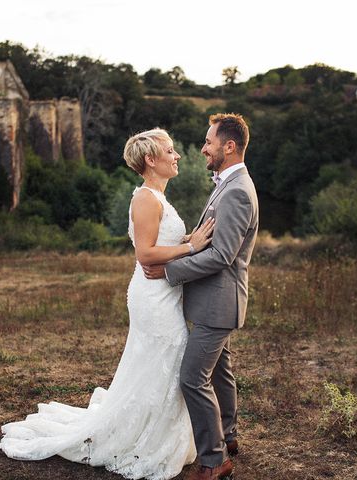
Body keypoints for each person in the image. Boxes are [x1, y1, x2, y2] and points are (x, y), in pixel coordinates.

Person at [0, 128, 215, 480]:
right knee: (168, 357)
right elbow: (145, 253)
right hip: (153, 297)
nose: (177, 156)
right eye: (171, 151)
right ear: (151, 159)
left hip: (163, 291)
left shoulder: (158, 197)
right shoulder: (145, 198)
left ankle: (157, 433)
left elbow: (164, 242)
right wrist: (191, 248)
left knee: (159, 362)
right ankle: (144, 438)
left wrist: (190, 239)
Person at [143, 113, 258, 480]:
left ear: (229, 146)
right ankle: (229, 437)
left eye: (208, 142)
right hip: (214, 302)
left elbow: (222, 256)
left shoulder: (237, 190)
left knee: (193, 378)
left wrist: (169, 271)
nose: (203, 148)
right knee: (220, 372)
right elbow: (206, 239)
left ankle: (214, 459)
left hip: (219, 303)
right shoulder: (227, 182)